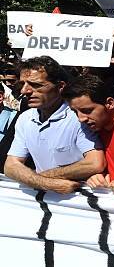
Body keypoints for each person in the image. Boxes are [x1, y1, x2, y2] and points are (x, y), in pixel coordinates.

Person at [4, 56, 106, 193]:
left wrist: (39, 178)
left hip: (79, 200)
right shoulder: (25, 119)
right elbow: (11, 165)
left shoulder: (78, 118)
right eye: (23, 84)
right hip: (45, 198)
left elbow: (95, 163)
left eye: (36, 85)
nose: (25, 91)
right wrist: (46, 183)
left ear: (60, 87)